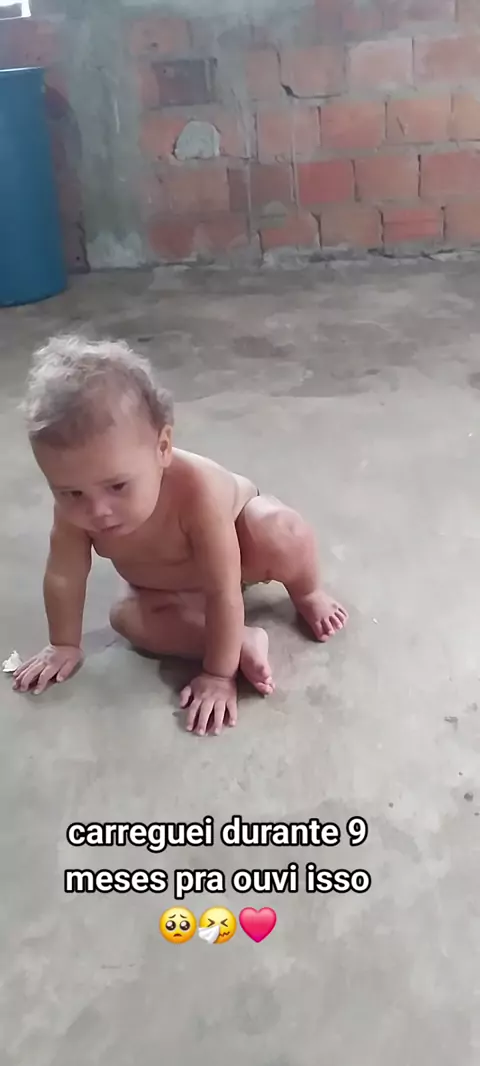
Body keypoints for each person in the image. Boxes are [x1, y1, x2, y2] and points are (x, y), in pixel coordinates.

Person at [13, 336, 348, 736]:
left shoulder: (197, 491)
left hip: (239, 554)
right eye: (70, 493)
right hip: (165, 587)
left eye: (117, 486)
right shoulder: (74, 513)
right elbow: (64, 576)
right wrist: (63, 643)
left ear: (163, 448)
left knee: (281, 532)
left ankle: (307, 591)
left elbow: (223, 590)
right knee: (128, 619)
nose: (96, 510)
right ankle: (241, 640)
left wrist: (218, 675)